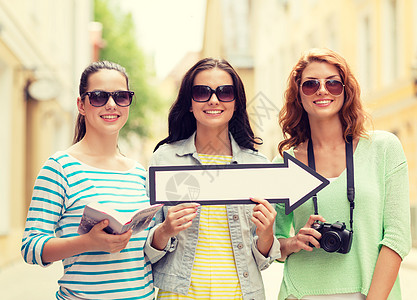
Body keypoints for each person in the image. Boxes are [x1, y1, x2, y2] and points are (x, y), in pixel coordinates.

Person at [274, 48, 411, 300]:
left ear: (346, 91)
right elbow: (272, 245)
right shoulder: (287, 162)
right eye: (310, 84)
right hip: (300, 294)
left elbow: (397, 238)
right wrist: (293, 242)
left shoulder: (383, 149)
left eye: (333, 83)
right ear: (298, 96)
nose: (322, 90)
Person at [144, 57, 281, 300]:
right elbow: (145, 248)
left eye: (225, 92)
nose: (214, 100)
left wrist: (267, 232)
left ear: (237, 103)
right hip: (178, 295)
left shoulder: (257, 165)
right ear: (189, 103)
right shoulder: (165, 160)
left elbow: (264, 259)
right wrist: (165, 230)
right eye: (202, 92)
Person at [21, 61, 155, 299]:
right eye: (99, 97)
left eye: (121, 97)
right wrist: (87, 242)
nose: (111, 104)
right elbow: (31, 248)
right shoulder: (60, 168)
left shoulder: (137, 172)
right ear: (81, 105)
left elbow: (144, 251)